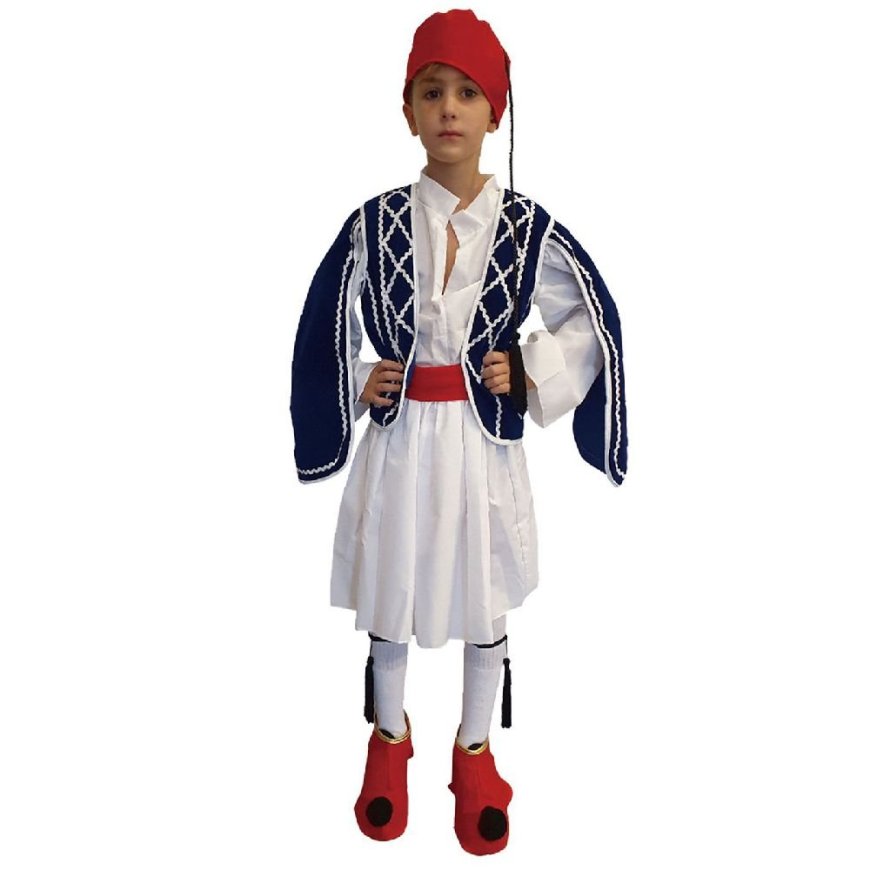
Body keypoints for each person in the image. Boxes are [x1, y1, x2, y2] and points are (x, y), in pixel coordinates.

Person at [290, 8, 628, 856]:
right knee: (392, 591)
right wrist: (355, 378)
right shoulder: (374, 223)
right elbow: (325, 315)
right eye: (432, 90)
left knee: (483, 596)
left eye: (468, 92)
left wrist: (532, 367)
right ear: (407, 110)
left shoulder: (524, 228)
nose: (449, 107)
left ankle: (475, 752)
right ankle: (388, 740)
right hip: (402, 443)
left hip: (481, 450)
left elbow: (589, 318)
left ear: (494, 112)